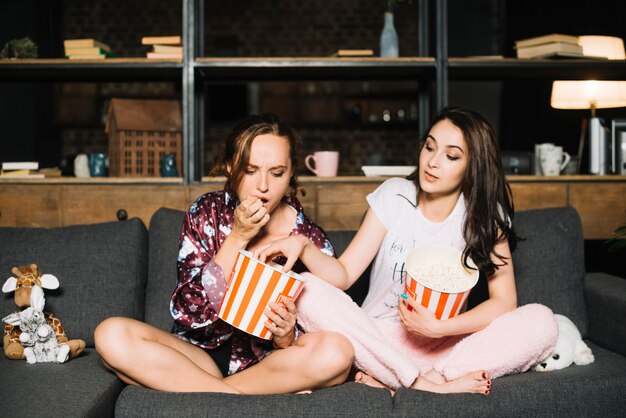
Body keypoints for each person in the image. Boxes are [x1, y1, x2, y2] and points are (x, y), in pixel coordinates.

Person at [255, 107, 558, 394]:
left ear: (473, 167)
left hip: (448, 345)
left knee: (542, 321)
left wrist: (440, 328)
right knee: (307, 288)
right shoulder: (394, 195)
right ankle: (420, 383)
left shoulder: (485, 216)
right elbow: (344, 274)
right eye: (429, 147)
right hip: (378, 341)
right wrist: (303, 246)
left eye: (451, 156)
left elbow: (504, 302)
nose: (433, 161)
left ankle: (423, 377)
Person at [94, 113, 354, 394]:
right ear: (231, 167)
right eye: (250, 170)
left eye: (277, 172)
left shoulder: (307, 238)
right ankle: (232, 397)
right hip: (197, 356)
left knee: (338, 353)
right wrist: (238, 236)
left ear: (291, 173)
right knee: (110, 334)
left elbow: (325, 321)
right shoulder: (207, 213)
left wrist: (285, 337)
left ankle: (205, 394)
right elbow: (188, 312)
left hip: (267, 368)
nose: (263, 185)